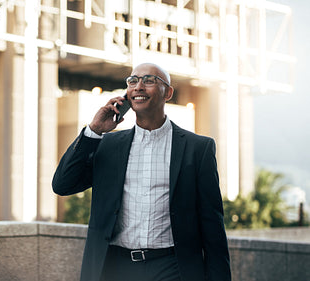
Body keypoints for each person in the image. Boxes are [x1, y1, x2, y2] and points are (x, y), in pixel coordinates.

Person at [52, 63, 231, 281]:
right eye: (132, 81)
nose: (138, 86)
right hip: (115, 267)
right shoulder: (108, 145)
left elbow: (212, 226)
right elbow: (63, 184)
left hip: (172, 267)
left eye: (149, 80)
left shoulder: (197, 148)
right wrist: (94, 131)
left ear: (168, 93)